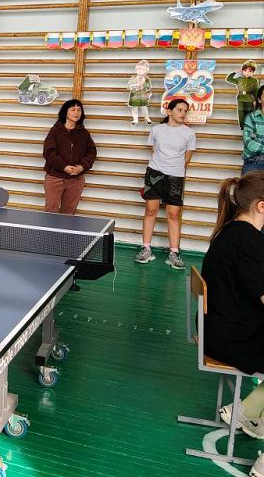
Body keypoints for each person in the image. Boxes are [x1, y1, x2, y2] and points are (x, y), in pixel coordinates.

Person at [201, 173, 264, 472]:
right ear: (261, 206)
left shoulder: (233, 231)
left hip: (221, 328)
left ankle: (248, 412)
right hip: (231, 337)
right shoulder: (249, 241)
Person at [135, 98, 196, 270]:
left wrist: (174, 168)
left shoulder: (189, 133)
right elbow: (154, 150)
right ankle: (146, 249)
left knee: (173, 214)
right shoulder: (156, 130)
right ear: (169, 111)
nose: (183, 113)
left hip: (176, 176)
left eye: (185, 111)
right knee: (150, 210)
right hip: (154, 173)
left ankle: (174, 253)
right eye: (179, 110)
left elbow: (187, 158)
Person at [42, 99, 96, 215]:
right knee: (50, 212)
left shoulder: (84, 134)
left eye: (79, 110)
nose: (76, 113)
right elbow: (48, 153)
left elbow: (91, 153)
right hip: (54, 178)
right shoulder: (55, 131)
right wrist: (64, 167)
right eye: (73, 109)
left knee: (69, 213)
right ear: (65, 112)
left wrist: (81, 167)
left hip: (76, 180)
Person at [226, 60, 259, 130]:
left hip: (250, 99)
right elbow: (228, 79)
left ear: (253, 72)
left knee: (249, 113)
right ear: (242, 71)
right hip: (240, 99)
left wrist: (255, 101)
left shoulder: (254, 81)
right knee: (241, 113)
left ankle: (250, 127)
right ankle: (242, 127)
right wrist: (237, 71)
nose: (247, 73)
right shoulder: (239, 80)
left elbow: (256, 91)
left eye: (250, 71)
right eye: (245, 70)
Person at [242, 85, 264, 175]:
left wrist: (258, 141)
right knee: (248, 184)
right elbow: (249, 144)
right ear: (259, 100)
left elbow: (254, 142)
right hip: (254, 162)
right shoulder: (250, 118)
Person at [127, 60, 153, 125]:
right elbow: (128, 86)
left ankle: (147, 117)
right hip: (134, 95)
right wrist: (134, 85)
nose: (141, 71)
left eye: (143, 69)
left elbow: (149, 86)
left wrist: (143, 85)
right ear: (136, 69)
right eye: (139, 69)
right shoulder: (133, 78)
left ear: (146, 71)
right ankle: (135, 119)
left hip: (143, 95)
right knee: (134, 107)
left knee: (144, 107)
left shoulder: (147, 79)